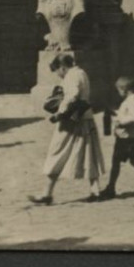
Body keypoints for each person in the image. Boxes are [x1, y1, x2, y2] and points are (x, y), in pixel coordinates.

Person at [29, 53, 106, 204]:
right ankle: (95, 191)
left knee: (56, 152)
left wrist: (59, 113)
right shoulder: (81, 73)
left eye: (57, 71)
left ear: (62, 67)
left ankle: (46, 194)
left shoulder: (71, 76)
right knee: (89, 153)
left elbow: (72, 96)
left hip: (71, 121)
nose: (58, 75)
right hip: (86, 118)